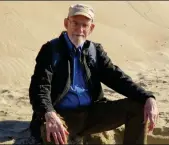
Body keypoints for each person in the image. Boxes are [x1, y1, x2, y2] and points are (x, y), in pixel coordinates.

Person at [29, 3, 159, 145]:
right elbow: (40, 88)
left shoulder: (94, 51)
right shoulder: (51, 50)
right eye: (75, 23)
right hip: (63, 116)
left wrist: (147, 97)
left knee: (138, 108)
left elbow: (117, 78)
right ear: (66, 23)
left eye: (85, 25)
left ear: (91, 28)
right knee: (54, 136)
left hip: (92, 113)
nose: (79, 30)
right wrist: (49, 113)